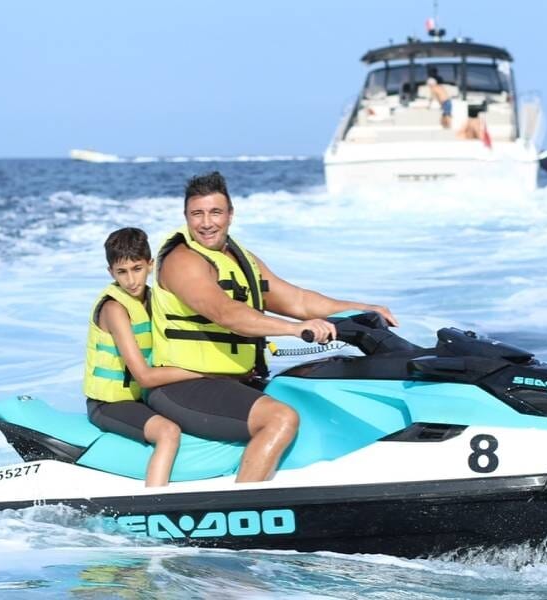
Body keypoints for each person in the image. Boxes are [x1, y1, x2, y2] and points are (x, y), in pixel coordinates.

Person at [146, 172, 398, 483]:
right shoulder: (183, 261)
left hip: (234, 381)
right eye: (197, 214)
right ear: (186, 217)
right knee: (281, 418)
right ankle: (241, 514)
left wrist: (360, 308)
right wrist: (294, 329)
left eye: (215, 212)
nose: (207, 223)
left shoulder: (240, 259)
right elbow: (225, 312)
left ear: (230, 215)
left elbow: (298, 300)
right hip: (184, 385)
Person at [83, 227, 203, 487]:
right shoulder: (114, 309)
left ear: (150, 265)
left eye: (137, 269)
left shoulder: (156, 300)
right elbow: (144, 376)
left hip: (143, 399)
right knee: (168, 432)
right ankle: (155, 502)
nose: (131, 280)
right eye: (121, 272)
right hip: (108, 404)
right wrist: (207, 371)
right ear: (111, 273)